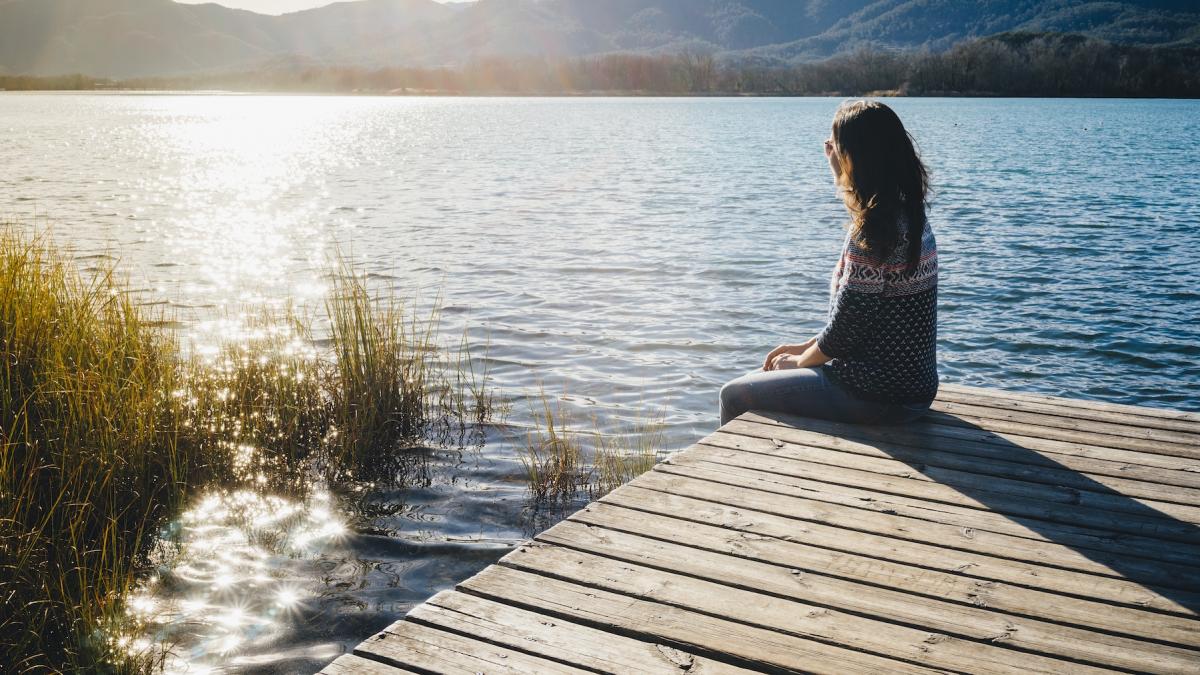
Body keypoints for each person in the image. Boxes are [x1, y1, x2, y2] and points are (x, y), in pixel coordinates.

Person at [719, 100, 938, 426]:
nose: (828, 152)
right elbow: (859, 319)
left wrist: (800, 363)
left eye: (832, 145)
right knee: (769, 377)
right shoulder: (911, 216)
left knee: (735, 394)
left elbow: (846, 330)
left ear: (854, 156)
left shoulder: (872, 233)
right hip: (915, 391)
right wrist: (808, 347)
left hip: (877, 395)